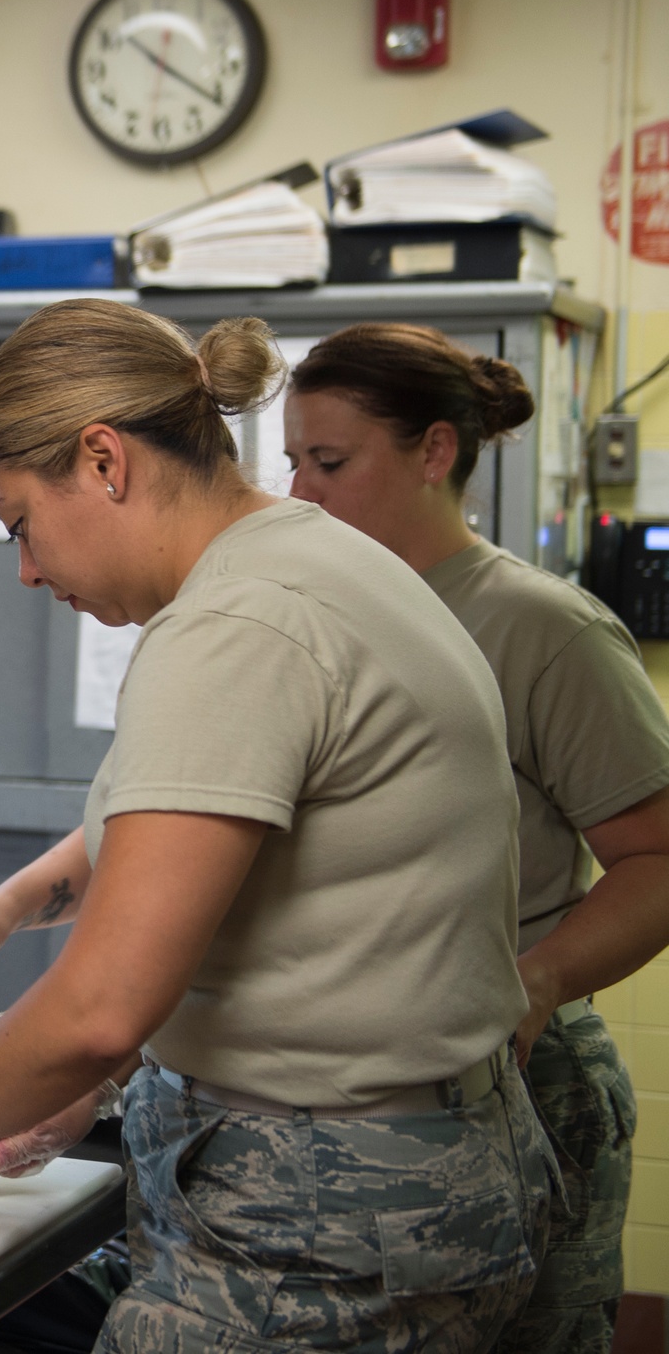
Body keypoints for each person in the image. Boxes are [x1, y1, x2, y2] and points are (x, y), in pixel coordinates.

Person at [0, 298, 555, 1353]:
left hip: (324, 1217)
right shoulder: (311, 558)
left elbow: (101, 1002)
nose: (26, 569)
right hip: (415, 1176)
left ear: (103, 460)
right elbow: (281, 903)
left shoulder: (235, 625)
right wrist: (99, 1077)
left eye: (20, 522)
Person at [284, 320, 669, 1354]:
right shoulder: (313, 618)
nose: (298, 494)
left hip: (521, 1073)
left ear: (434, 452)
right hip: (356, 1091)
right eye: (289, 463)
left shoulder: (544, 629)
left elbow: (655, 859)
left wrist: (537, 981)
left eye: (328, 462)